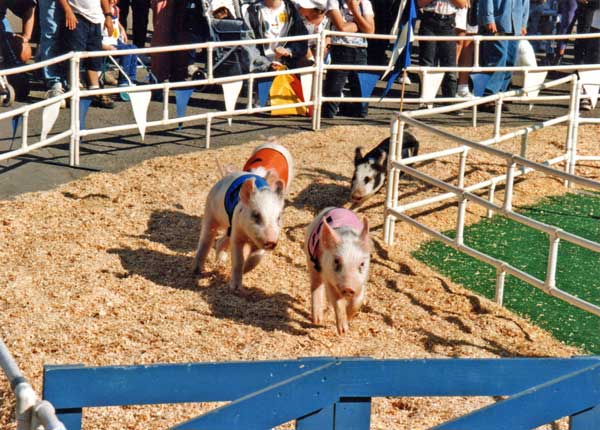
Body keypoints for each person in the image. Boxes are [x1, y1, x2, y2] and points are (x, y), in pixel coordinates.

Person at [321, 0, 375, 118]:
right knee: (332, 92)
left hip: (361, 50)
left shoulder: (365, 3)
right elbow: (342, 28)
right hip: (340, 49)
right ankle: (328, 117)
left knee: (362, 98)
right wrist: (361, 24)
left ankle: (351, 112)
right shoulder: (334, 2)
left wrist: (355, 10)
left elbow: (371, 30)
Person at [58, 0, 115, 108]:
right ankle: (72, 91)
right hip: (77, 16)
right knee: (76, 56)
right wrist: (68, 10)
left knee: (94, 56)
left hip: (96, 19)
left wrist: (108, 16)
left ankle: (95, 90)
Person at [478, 0, 529, 109]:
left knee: (510, 59)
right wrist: (489, 18)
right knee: (497, 59)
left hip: (515, 24)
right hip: (498, 22)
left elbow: (525, 2)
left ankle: (501, 94)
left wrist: (523, 22)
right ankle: (488, 95)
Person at [417, 0, 468, 102]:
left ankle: (449, 100)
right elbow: (420, 3)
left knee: (450, 64)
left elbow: (462, 4)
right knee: (427, 62)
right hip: (429, 19)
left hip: (449, 22)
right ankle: (425, 100)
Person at [243, 0, 309, 70]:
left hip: (289, 68)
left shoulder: (291, 8)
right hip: (262, 72)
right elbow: (248, 46)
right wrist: (267, 66)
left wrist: (289, 50)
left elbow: (302, 40)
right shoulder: (253, 11)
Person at [101, 0, 138, 88]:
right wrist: (106, 47)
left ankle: (131, 78)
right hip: (106, 44)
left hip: (115, 41)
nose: (113, 1)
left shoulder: (116, 9)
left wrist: (122, 29)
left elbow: (116, 22)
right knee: (126, 52)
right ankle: (123, 81)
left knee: (133, 48)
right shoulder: (100, 12)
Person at [295, 0, 329, 64]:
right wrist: (312, 60)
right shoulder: (296, 16)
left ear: (315, 11)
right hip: (300, 55)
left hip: (319, 56)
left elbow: (327, 42)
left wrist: (319, 60)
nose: (300, 6)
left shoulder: (328, 19)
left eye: (304, 5)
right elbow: (301, 41)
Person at [455, 1, 478, 97]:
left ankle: (462, 87)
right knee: (457, 43)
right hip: (457, 6)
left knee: (469, 45)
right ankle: (448, 85)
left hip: (474, 6)